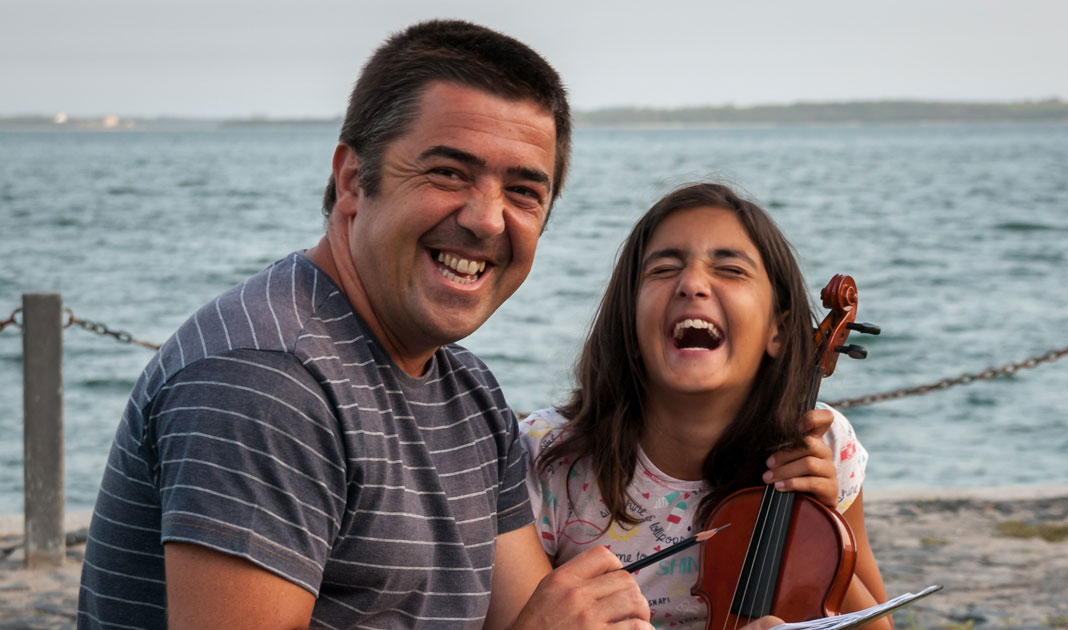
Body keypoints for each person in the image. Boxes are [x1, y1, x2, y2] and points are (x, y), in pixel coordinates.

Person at [78, 20, 652, 630]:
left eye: (523, 192)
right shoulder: (268, 382)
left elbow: (522, 616)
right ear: (352, 180)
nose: (487, 219)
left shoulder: (471, 395)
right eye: (448, 173)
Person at [520, 183, 891, 629]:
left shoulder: (818, 443)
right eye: (663, 269)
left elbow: (875, 623)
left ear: (779, 329)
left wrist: (820, 520)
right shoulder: (548, 456)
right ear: (630, 321)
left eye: (730, 270)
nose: (692, 284)